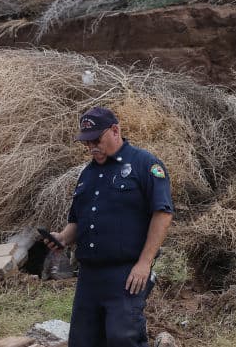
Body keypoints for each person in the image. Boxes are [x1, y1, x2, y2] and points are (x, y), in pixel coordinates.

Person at [47, 107, 174, 347]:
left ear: (115, 130)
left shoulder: (144, 164)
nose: (91, 147)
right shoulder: (87, 174)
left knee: (123, 338)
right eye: (87, 142)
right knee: (82, 341)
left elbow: (163, 214)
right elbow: (77, 220)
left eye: (96, 140)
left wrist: (144, 263)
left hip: (126, 274)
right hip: (89, 276)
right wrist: (62, 238)